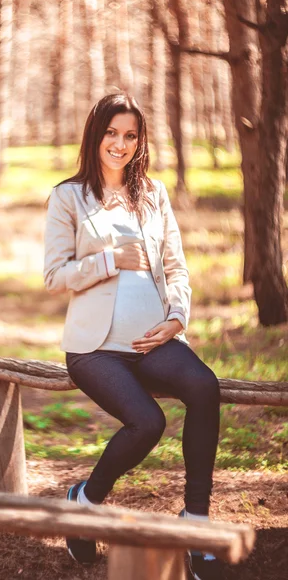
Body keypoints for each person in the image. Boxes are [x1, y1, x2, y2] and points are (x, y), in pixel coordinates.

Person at [43, 93, 221, 580]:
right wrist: (107, 261)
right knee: (148, 421)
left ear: (139, 141)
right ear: (95, 135)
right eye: (111, 133)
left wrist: (177, 319)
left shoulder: (154, 195)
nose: (119, 144)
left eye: (129, 135)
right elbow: (54, 276)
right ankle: (86, 499)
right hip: (96, 348)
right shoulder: (69, 196)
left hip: (152, 342)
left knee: (205, 387)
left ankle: (197, 520)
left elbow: (176, 269)